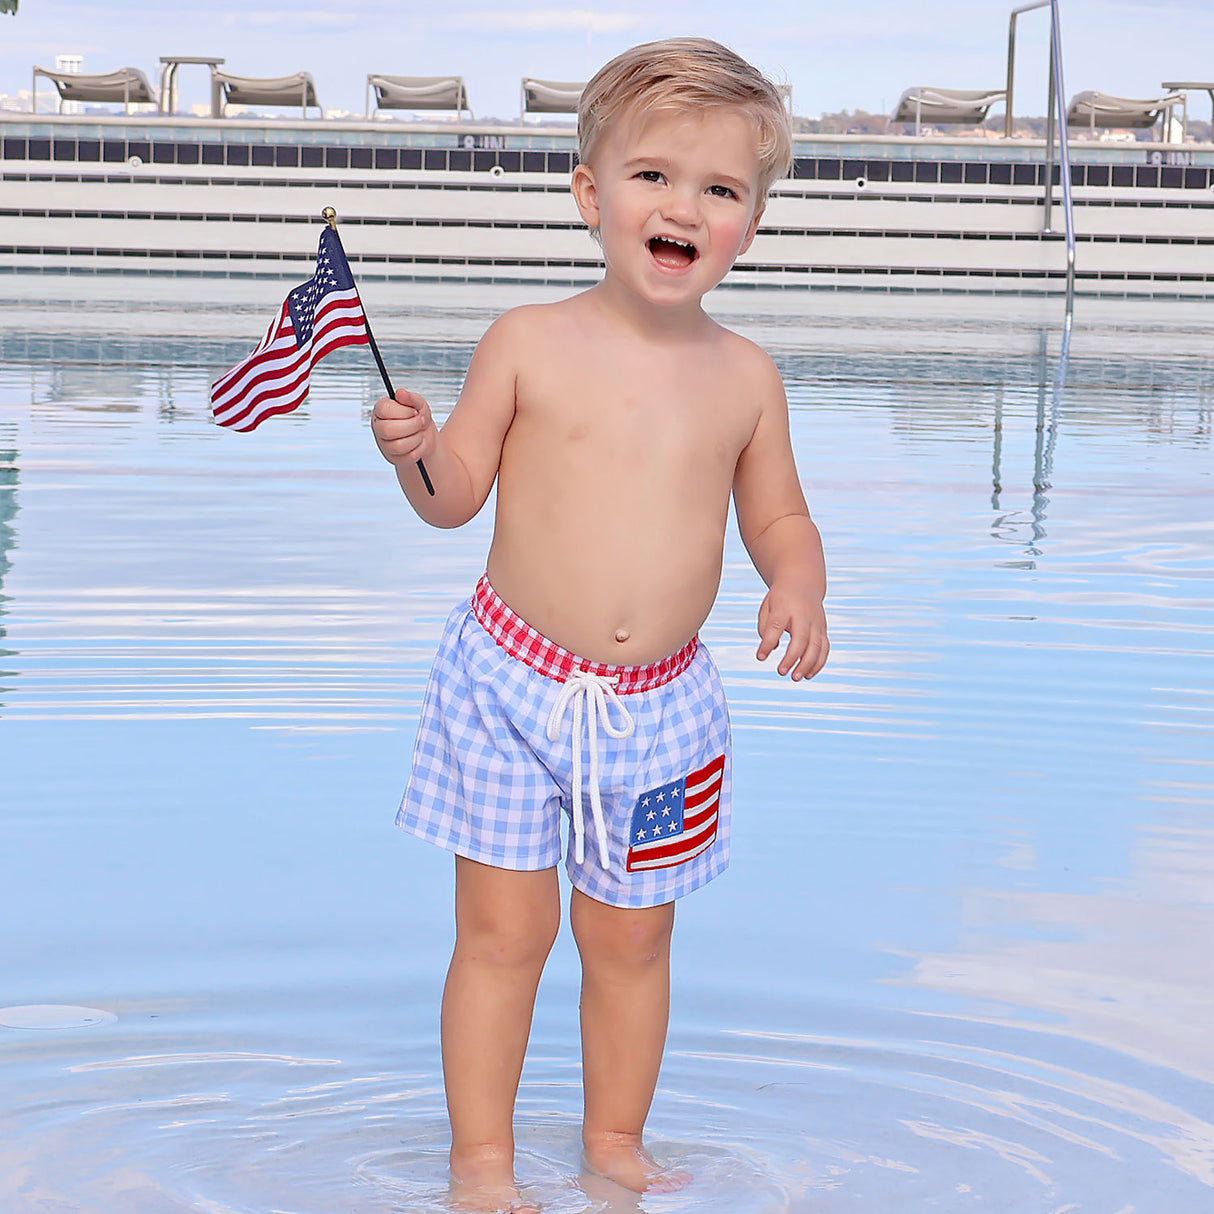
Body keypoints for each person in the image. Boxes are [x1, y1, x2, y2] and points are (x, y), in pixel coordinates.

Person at [371, 36, 829, 1214]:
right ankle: (480, 1159)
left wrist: (797, 580)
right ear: (589, 193)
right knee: (502, 932)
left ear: (752, 221)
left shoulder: (743, 377)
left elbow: (777, 511)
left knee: (630, 942)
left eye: (720, 189)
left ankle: (612, 1140)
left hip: (663, 708)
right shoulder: (528, 342)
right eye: (653, 177)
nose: (683, 206)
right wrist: (417, 453)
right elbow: (454, 499)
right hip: (506, 685)